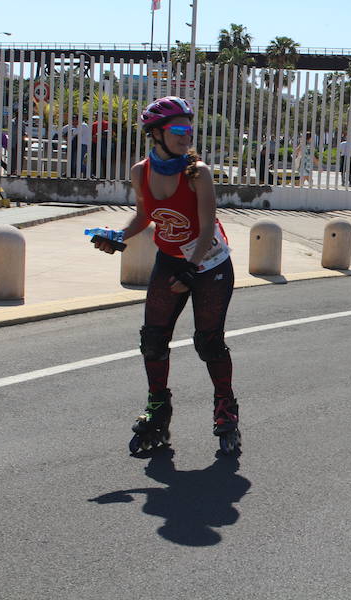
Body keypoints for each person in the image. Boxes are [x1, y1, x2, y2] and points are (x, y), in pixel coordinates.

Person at [91, 96, 241, 456]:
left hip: (210, 264)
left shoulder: (197, 172)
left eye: (189, 129)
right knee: (153, 339)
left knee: (208, 341)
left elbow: (206, 229)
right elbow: (144, 216)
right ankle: (158, 406)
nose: (185, 135)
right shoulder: (140, 171)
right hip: (171, 259)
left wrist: (191, 270)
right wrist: (117, 238)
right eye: (177, 130)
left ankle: (225, 407)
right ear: (155, 134)